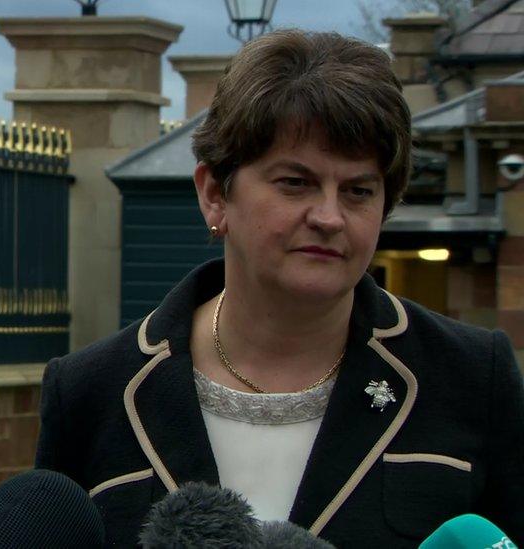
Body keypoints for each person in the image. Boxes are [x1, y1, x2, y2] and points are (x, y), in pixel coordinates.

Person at [35, 29, 524, 547]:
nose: (330, 217)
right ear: (214, 195)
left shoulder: (470, 376)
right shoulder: (92, 391)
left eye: (359, 191)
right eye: (296, 182)